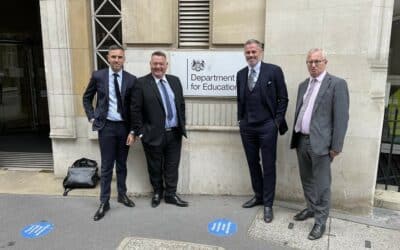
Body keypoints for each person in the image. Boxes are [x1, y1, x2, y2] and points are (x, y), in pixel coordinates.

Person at [290, 48, 349, 240]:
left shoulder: (337, 84)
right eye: (309, 62)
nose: (313, 65)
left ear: (325, 62)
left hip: (322, 145)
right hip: (301, 140)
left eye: (317, 61)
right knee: (306, 180)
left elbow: (341, 118)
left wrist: (336, 147)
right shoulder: (303, 85)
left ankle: (321, 221)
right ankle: (311, 208)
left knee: (322, 185)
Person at [82, 45, 137, 221]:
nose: (116, 60)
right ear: (108, 58)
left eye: (120, 57)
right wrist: (92, 117)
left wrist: (133, 130)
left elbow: (134, 108)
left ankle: (122, 194)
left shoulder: (131, 79)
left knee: (122, 164)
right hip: (106, 127)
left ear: (124, 59)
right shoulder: (98, 76)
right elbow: (86, 97)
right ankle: (104, 202)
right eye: (113, 57)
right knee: (106, 166)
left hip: (123, 128)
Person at [237, 39, 289, 223]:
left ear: (260, 52)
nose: (250, 55)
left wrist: (276, 122)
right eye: (247, 52)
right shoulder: (241, 74)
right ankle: (258, 196)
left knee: (268, 166)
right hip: (247, 127)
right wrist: (240, 120)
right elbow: (240, 100)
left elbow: (283, 98)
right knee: (252, 163)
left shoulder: (273, 71)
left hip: (268, 126)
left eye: (253, 52)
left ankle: (268, 204)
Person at [131, 51, 188, 208]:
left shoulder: (175, 81)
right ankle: (157, 192)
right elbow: (135, 110)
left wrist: (182, 124)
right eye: (155, 63)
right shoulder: (141, 83)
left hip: (174, 133)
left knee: (172, 165)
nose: (158, 67)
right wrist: (141, 132)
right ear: (150, 64)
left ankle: (171, 194)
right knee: (154, 166)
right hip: (153, 134)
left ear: (166, 65)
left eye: (161, 64)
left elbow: (181, 105)